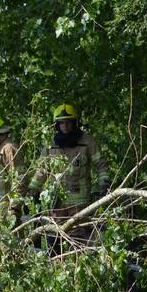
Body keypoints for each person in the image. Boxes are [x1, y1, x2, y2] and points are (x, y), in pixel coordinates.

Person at [29, 104, 110, 244]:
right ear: (56, 125)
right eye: (61, 123)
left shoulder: (87, 142)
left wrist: (103, 186)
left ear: (75, 123)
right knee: (54, 240)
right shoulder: (50, 145)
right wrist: (31, 191)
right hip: (56, 205)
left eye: (68, 122)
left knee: (77, 242)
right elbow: (41, 171)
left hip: (80, 205)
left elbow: (101, 165)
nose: (64, 126)